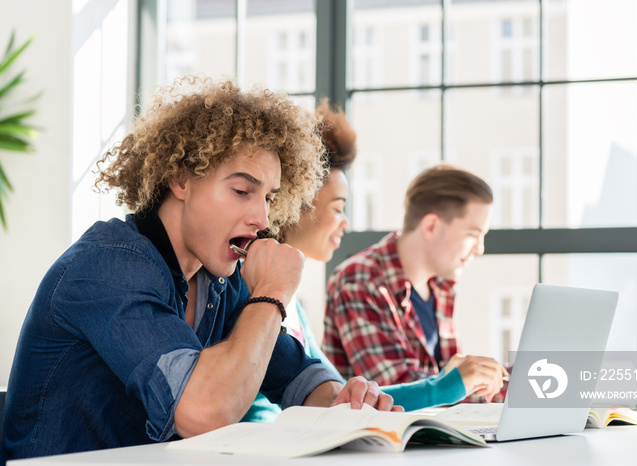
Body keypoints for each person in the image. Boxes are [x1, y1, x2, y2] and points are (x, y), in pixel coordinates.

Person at [1, 77, 396, 462]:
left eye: (270, 198)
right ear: (180, 179)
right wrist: (272, 293)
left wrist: (345, 401)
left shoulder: (219, 281)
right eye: (242, 191)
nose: (261, 217)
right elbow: (205, 412)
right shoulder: (107, 267)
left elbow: (298, 375)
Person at [243, 101, 505, 423]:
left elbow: (335, 395)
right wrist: (448, 385)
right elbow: (344, 403)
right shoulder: (264, 288)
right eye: (338, 208)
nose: (346, 223)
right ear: (297, 202)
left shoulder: (289, 298)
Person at [322, 163, 507, 397]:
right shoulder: (360, 279)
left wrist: (514, 378)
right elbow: (396, 389)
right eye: (473, 235)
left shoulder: (441, 286)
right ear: (431, 226)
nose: (479, 249)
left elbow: (448, 379)